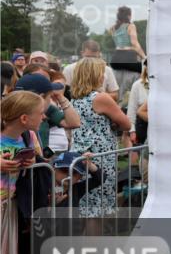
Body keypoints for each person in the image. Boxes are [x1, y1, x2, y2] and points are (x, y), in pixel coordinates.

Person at [1, 90, 45, 254]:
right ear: (25, 118)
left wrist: (31, 164)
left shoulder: (28, 137)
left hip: (10, 211)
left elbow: (39, 161)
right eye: (40, 113)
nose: (44, 117)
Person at [70, 57, 130, 217]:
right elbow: (126, 124)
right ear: (94, 75)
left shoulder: (74, 99)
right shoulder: (100, 98)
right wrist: (114, 124)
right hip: (100, 157)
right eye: (101, 72)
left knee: (86, 205)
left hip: (80, 155)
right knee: (97, 209)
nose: (104, 76)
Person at [13, 72, 80, 153]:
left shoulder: (48, 109)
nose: (42, 118)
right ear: (41, 97)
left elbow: (74, 123)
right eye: (50, 96)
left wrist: (61, 97)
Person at [109, 6, 145, 108]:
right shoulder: (130, 26)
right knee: (141, 77)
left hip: (116, 59)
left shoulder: (113, 28)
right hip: (129, 58)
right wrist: (144, 57)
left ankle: (116, 108)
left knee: (117, 89)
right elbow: (134, 43)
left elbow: (119, 44)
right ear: (129, 15)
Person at [127, 61, 150, 168]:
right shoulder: (138, 85)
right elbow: (131, 110)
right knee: (144, 162)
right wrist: (132, 131)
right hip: (143, 129)